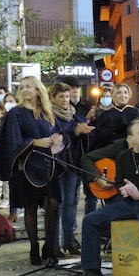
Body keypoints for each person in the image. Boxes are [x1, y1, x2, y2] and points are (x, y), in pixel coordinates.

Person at [69, 118, 139, 276]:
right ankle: (92, 272)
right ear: (130, 139)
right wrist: (125, 189)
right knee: (90, 221)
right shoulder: (123, 157)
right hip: (129, 202)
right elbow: (120, 181)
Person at [0, 76, 64, 265]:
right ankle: (33, 248)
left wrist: (57, 140)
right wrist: (34, 142)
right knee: (30, 207)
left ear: (38, 90)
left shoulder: (48, 113)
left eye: (29, 86)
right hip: (27, 167)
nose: (25, 89)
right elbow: (12, 140)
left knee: (52, 205)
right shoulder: (16, 113)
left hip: (48, 166)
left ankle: (49, 245)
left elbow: (61, 132)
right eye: (22, 87)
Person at [49, 82, 94, 256]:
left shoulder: (75, 114)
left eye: (67, 96)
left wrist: (85, 128)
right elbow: (55, 131)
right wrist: (74, 130)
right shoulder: (49, 115)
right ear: (52, 98)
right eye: (61, 96)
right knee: (57, 204)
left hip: (74, 165)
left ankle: (69, 240)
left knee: (71, 203)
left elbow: (85, 128)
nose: (65, 100)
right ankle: (54, 244)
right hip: (58, 165)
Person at [91, 83, 139, 150]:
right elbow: (100, 137)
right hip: (111, 149)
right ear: (113, 95)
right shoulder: (106, 115)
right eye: (119, 92)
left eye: (125, 92)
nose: (123, 95)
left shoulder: (136, 112)